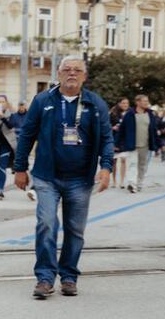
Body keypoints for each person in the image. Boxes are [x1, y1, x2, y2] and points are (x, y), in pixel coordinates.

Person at [13, 57, 113, 300]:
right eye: (66, 70)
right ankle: (45, 278)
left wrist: (106, 167)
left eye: (77, 70)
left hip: (80, 178)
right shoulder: (43, 100)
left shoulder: (95, 104)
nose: (71, 73)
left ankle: (68, 276)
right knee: (46, 223)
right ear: (58, 74)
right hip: (47, 176)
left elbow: (106, 138)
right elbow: (26, 135)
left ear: (84, 76)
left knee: (75, 230)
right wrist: (20, 168)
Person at [116, 94, 161, 194]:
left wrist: (159, 144)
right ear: (138, 102)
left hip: (145, 145)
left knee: (142, 166)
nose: (146, 103)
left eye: (147, 101)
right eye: (144, 101)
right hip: (132, 145)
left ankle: (139, 183)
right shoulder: (130, 114)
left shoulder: (150, 114)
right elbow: (122, 130)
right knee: (132, 164)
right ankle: (132, 184)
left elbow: (154, 130)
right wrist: (117, 143)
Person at [110, 97, 131, 188]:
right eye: (123, 103)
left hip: (124, 140)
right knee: (114, 161)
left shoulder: (130, 113)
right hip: (114, 139)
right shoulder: (113, 113)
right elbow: (106, 125)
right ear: (119, 103)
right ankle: (114, 181)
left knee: (123, 160)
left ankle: (122, 182)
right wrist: (113, 128)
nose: (125, 105)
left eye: (126, 103)